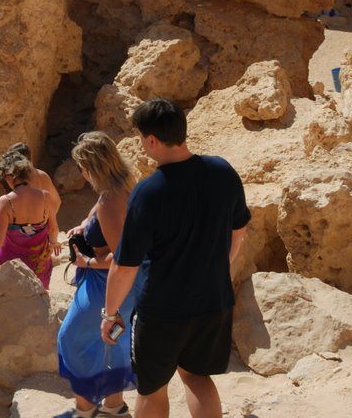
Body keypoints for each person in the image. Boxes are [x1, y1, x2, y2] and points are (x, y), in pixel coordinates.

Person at [102, 99, 250, 418]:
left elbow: (124, 266)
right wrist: (216, 270)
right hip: (213, 299)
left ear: (152, 140)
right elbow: (239, 232)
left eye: (141, 138)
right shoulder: (222, 171)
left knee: (152, 390)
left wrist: (110, 313)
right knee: (197, 377)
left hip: (163, 310)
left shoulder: (149, 192)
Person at [59, 133, 143, 417]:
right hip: (128, 286)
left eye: (81, 167)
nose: (80, 173)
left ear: (92, 167)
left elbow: (123, 257)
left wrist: (86, 262)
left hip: (107, 284)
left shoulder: (110, 201)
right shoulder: (126, 183)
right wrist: (85, 225)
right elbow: (99, 211)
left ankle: (85, 410)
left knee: (72, 340)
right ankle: (114, 406)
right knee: (113, 341)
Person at [0, 152, 56, 288]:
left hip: (13, 266)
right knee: (39, 296)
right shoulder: (45, 196)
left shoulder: (5, 201)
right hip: (39, 264)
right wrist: (53, 242)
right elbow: (53, 229)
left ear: (8, 176)